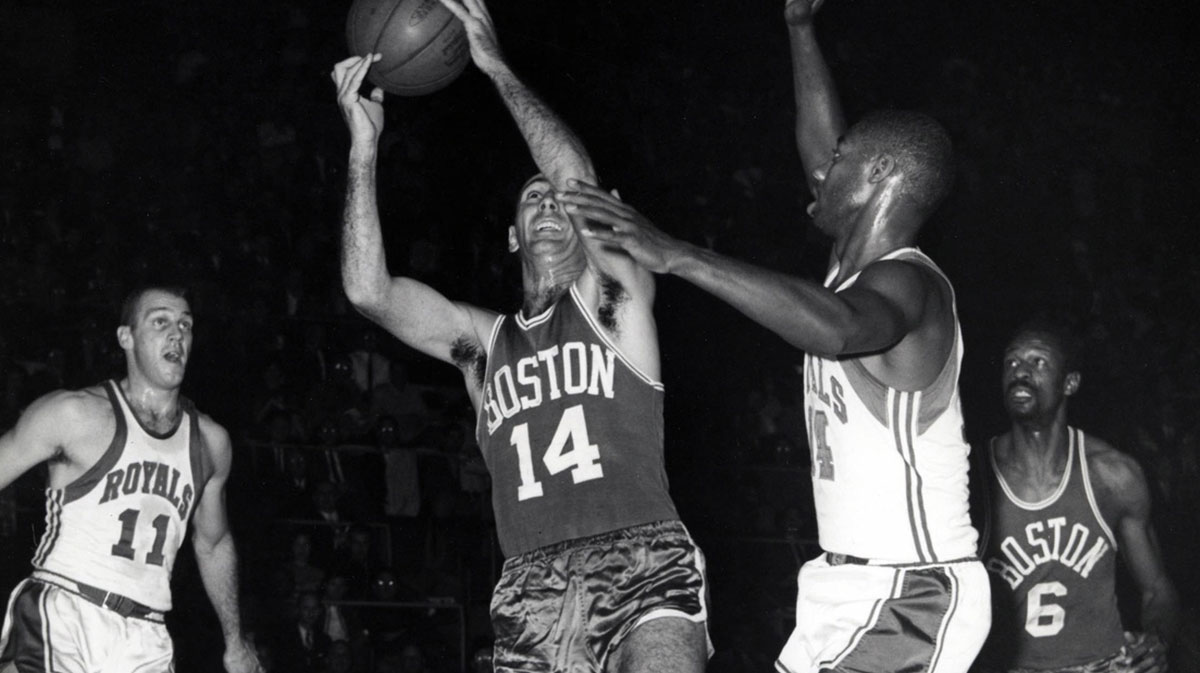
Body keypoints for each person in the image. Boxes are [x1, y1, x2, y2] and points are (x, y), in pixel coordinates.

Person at [560, 1, 991, 670]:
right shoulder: (852, 262)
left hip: (912, 586)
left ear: (879, 178)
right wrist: (799, 28)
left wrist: (678, 254)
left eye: (841, 159)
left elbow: (840, 328)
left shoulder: (911, 285)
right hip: (848, 587)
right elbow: (827, 154)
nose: (820, 171)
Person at [331, 0, 709, 670]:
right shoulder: (484, 343)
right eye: (531, 197)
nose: (550, 202)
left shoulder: (614, 300)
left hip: (642, 559)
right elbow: (368, 291)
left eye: (560, 199)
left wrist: (496, 67)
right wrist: (363, 147)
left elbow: (574, 179)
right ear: (511, 235)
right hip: (532, 584)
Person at [0, 285, 260, 672]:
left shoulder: (210, 442)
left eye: (185, 325)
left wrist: (235, 641)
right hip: (64, 611)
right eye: (161, 321)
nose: (177, 334)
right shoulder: (73, 413)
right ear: (127, 337)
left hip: (146, 635)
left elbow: (214, 542)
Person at [973, 318, 1178, 672]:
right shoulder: (972, 476)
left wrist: (1157, 639)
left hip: (1100, 664)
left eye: (1038, 362)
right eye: (1012, 362)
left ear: (1070, 382)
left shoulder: (1112, 475)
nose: (1020, 372)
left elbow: (1157, 590)